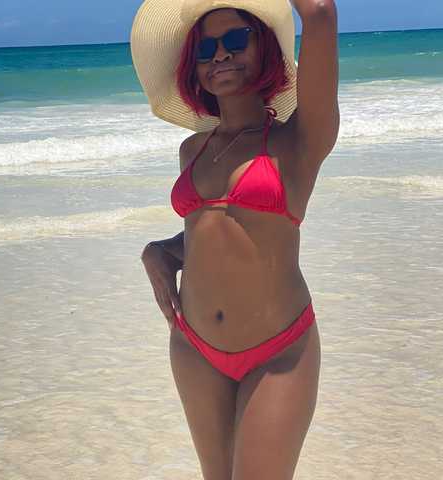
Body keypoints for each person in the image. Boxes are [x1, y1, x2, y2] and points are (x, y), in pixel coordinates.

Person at [132, 0, 339, 478]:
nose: (220, 54)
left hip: (279, 350)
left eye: (235, 40)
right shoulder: (193, 150)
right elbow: (213, 229)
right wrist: (160, 250)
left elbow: (321, 13)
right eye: (205, 48)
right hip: (193, 348)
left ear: (264, 47)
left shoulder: (300, 139)